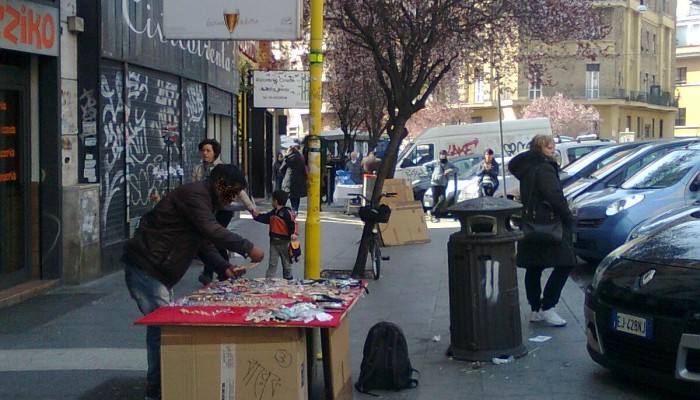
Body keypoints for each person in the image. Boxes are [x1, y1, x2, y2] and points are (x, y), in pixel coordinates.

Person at [122, 163, 265, 400]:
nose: (231, 199)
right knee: (163, 329)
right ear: (219, 183)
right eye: (230, 191)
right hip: (147, 266)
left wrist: (224, 267)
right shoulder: (195, 195)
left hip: (158, 269)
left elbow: (202, 242)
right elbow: (210, 230)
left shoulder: (205, 200)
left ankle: (162, 385)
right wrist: (248, 248)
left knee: (162, 328)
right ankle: (157, 390)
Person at [508, 134, 577, 327]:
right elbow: (554, 196)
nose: (553, 150)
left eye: (553, 146)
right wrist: (567, 216)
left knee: (534, 266)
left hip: (530, 223)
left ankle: (535, 309)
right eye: (549, 147)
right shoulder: (544, 168)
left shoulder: (527, 168)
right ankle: (548, 306)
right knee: (566, 262)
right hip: (549, 223)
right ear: (539, 149)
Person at [192, 139, 258, 285]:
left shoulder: (223, 169)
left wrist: (251, 208)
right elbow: (194, 187)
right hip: (208, 209)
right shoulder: (199, 169)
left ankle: (215, 272)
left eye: (208, 150)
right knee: (213, 239)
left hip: (223, 210)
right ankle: (224, 271)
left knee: (214, 237)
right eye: (203, 150)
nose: (205, 153)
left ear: (215, 152)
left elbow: (239, 191)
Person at [253, 190, 298, 280]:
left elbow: (292, 224)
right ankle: (270, 280)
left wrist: (293, 234)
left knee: (286, 264)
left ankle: (288, 280)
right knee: (274, 263)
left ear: (275, 201)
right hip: (274, 243)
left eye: (272, 200)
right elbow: (266, 218)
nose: (271, 202)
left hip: (285, 243)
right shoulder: (274, 212)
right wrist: (256, 216)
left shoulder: (286, 213)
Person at [424, 150, 458, 222]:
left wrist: (450, 170)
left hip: (443, 184)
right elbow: (424, 166)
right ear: (439, 155)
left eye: (444, 154)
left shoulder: (449, 164)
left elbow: (457, 169)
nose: (443, 156)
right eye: (441, 154)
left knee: (442, 199)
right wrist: (429, 174)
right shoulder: (436, 163)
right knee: (435, 200)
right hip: (434, 184)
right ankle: (435, 216)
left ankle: (432, 212)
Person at [281, 145, 308, 214]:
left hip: (289, 180)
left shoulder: (288, 158)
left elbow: (281, 169)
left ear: (290, 151)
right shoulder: (301, 158)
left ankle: (282, 212)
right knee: (296, 197)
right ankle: (295, 211)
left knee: (286, 196)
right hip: (299, 181)